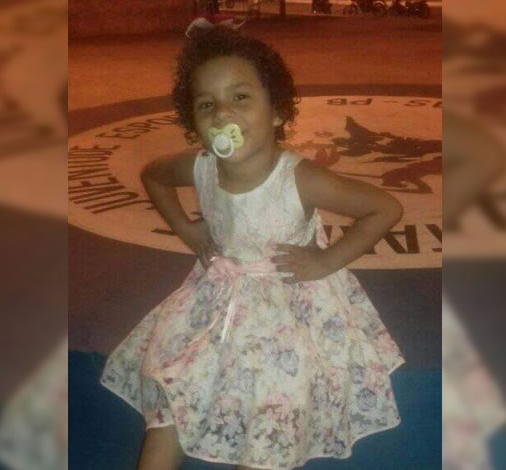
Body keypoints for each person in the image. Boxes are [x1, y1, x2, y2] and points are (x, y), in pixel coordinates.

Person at [100, 24, 405, 470]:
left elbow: (384, 208)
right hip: (219, 299)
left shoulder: (299, 179)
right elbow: (153, 177)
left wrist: (326, 261)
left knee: (273, 398)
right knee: (177, 385)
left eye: (240, 97)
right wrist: (187, 229)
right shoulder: (202, 167)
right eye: (206, 104)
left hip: (287, 308)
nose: (223, 113)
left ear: (277, 111)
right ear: (194, 123)